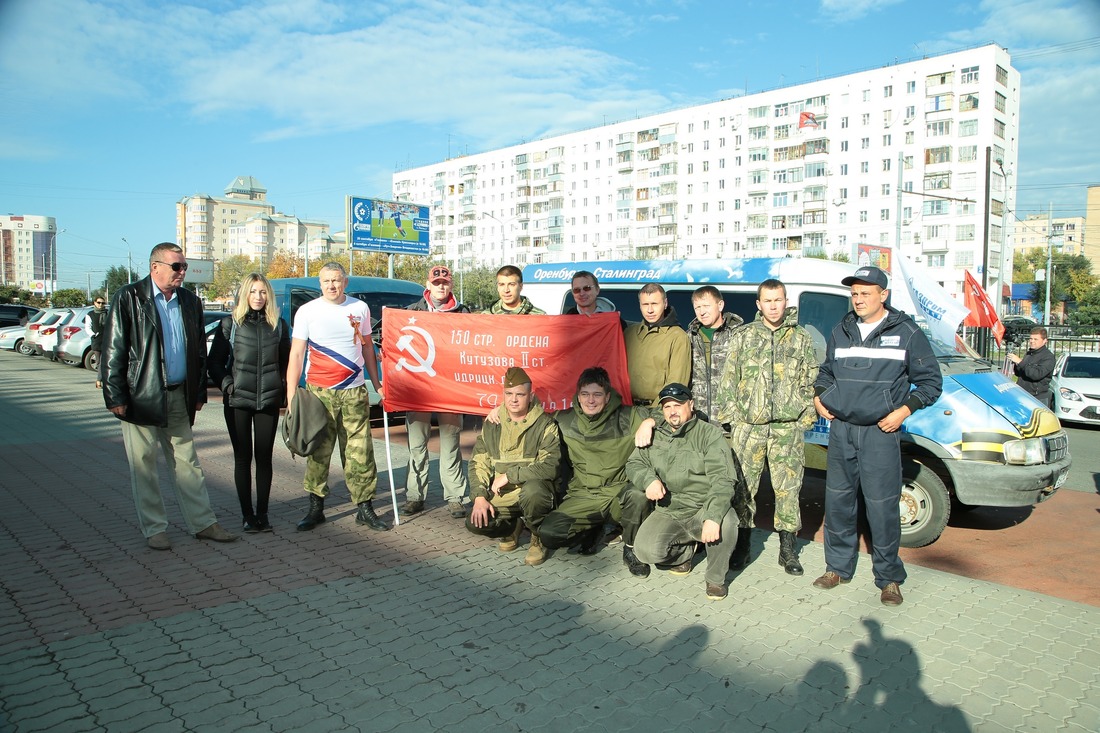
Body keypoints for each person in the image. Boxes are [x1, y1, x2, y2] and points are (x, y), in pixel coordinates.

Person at [812, 266, 942, 606]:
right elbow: (826, 371)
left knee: (883, 508)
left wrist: (903, 411)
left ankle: (888, 578)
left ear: (883, 295)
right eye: (854, 294)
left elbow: (931, 382)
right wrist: (819, 395)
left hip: (880, 434)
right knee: (839, 504)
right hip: (842, 432)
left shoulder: (907, 333)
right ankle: (837, 567)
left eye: (865, 293)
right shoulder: (841, 330)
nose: (858, 300)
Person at [100, 242, 238, 550]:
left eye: (184, 267)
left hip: (179, 395)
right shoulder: (129, 297)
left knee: (187, 461)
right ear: (155, 267)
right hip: (141, 396)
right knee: (144, 464)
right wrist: (115, 397)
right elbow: (114, 350)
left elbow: (198, 352)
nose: (182, 273)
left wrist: (199, 391)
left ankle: (203, 523)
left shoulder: (189, 300)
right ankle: (154, 528)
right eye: (177, 267)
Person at [716, 279, 818, 575]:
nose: (773, 306)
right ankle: (742, 545)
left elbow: (810, 377)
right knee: (744, 489)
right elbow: (728, 379)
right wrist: (735, 418)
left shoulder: (801, 337)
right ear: (758, 305)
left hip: (787, 428)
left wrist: (803, 417)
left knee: (788, 488)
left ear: (786, 301)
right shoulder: (744, 336)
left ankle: (787, 550)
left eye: (778, 300)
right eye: (768, 301)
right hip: (749, 427)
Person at [286, 262, 390, 533]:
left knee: (360, 452)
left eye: (336, 280)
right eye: (326, 281)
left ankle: (364, 507)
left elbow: (367, 348)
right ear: (319, 284)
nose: (331, 286)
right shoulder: (307, 311)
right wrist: (291, 396)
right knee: (319, 451)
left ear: (345, 282)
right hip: (318, 393)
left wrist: (376, 384)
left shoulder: (360, 308)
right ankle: (316, 506)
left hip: (354, 392)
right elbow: (297, 354)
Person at [626, 383, 741, 601]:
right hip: (671, 508)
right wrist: (648, 480)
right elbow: (634, 464)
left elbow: (723, 480)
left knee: (727, 523)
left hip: (702, 507)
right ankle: (685, 554)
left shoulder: (709, 436)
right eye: (667, 407)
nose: (672, 411)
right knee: (644, 551)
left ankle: (715, 578)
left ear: (691, 404)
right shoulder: (655, 433)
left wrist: (713, 517)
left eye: (678, 405)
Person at [536, 367, 655, 575]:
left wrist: (649, 422)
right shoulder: (564, 420)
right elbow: (531, 420)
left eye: (597, 394)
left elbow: (672, 414)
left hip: (618, 494)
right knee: (549, 534)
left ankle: (631, 549)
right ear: (578, 397)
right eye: (585, 394)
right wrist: (498, 414)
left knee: (638, 496)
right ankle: (591, 530)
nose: (591, 400)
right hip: (584, 495)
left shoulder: (628, 416)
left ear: (607, 397)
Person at [207, 273, 291, 533]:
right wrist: (227, 386)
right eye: (253, 291)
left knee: (264, 458)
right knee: (243, 459)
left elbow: (287, 362)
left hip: (267, 401)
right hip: (237, 402)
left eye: (263, 292)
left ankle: (263, 515)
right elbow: (214, 363)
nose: (258, 297)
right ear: (244, 294)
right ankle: (247, 515)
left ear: (269, 295)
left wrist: (284, 390)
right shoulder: (229, 325)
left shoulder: (278, 326)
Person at [466, 367, 561, 567]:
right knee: (475, 521)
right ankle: (511, 528)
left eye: (520, 394)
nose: (514, 399)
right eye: (509, 394)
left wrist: (510, 475)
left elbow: (549, 467)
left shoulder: (545, 424)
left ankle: (537, 535)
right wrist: (479, 497)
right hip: (503, 494)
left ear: (530, 395)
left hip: (532, 492)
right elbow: (478, 463)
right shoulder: (492, 423)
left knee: (533, 492)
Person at [403, 264, 471, 518]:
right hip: (419, 388)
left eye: (445, 282)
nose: (441, 286)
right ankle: (415, 495)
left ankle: (455, 496)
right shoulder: (411, 313)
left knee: (450, 443)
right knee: (417, 444)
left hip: (451, 388)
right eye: (436, 282)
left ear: (451, 284)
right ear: (428, 285)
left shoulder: (464, 313)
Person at [623, 283, 691, 406]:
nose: (650, 310)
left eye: (654, 304)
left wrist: (655, 416)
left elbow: (675, 385)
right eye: (645, 304)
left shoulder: (677, 336)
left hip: (658, 411)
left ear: (665, 304)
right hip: (626, 409)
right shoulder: (630, 333)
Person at [687, 285, 743, 423]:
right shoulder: (688, 337)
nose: (702, 312)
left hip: (730, 421)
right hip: (698, 422)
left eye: (706, 306)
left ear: (720, 305)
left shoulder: (739, 335)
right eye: (697, 307)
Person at [1008, 327, 1055, 408]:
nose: (1032, 341)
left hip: (1037, 397)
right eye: (1031, 338)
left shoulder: (1048, 357)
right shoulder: (1029, 353)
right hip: (1023, 394)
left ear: (1045, 341)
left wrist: (1020, 362)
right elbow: (1020, 373)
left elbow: (1036, 374)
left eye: (1036, 339)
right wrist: (1016, 364)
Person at [85, 296, 108, 389]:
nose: (100, 305)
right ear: (94, 303)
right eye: (99, 302)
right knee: (99, 362)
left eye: (103, 303)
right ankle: (99, 380)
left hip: (107, 340)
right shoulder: (90, 314)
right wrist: (93, 334)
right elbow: (88, 327)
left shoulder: (108, 313)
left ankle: (101, 380)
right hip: (97, 340)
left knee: (106, 362)